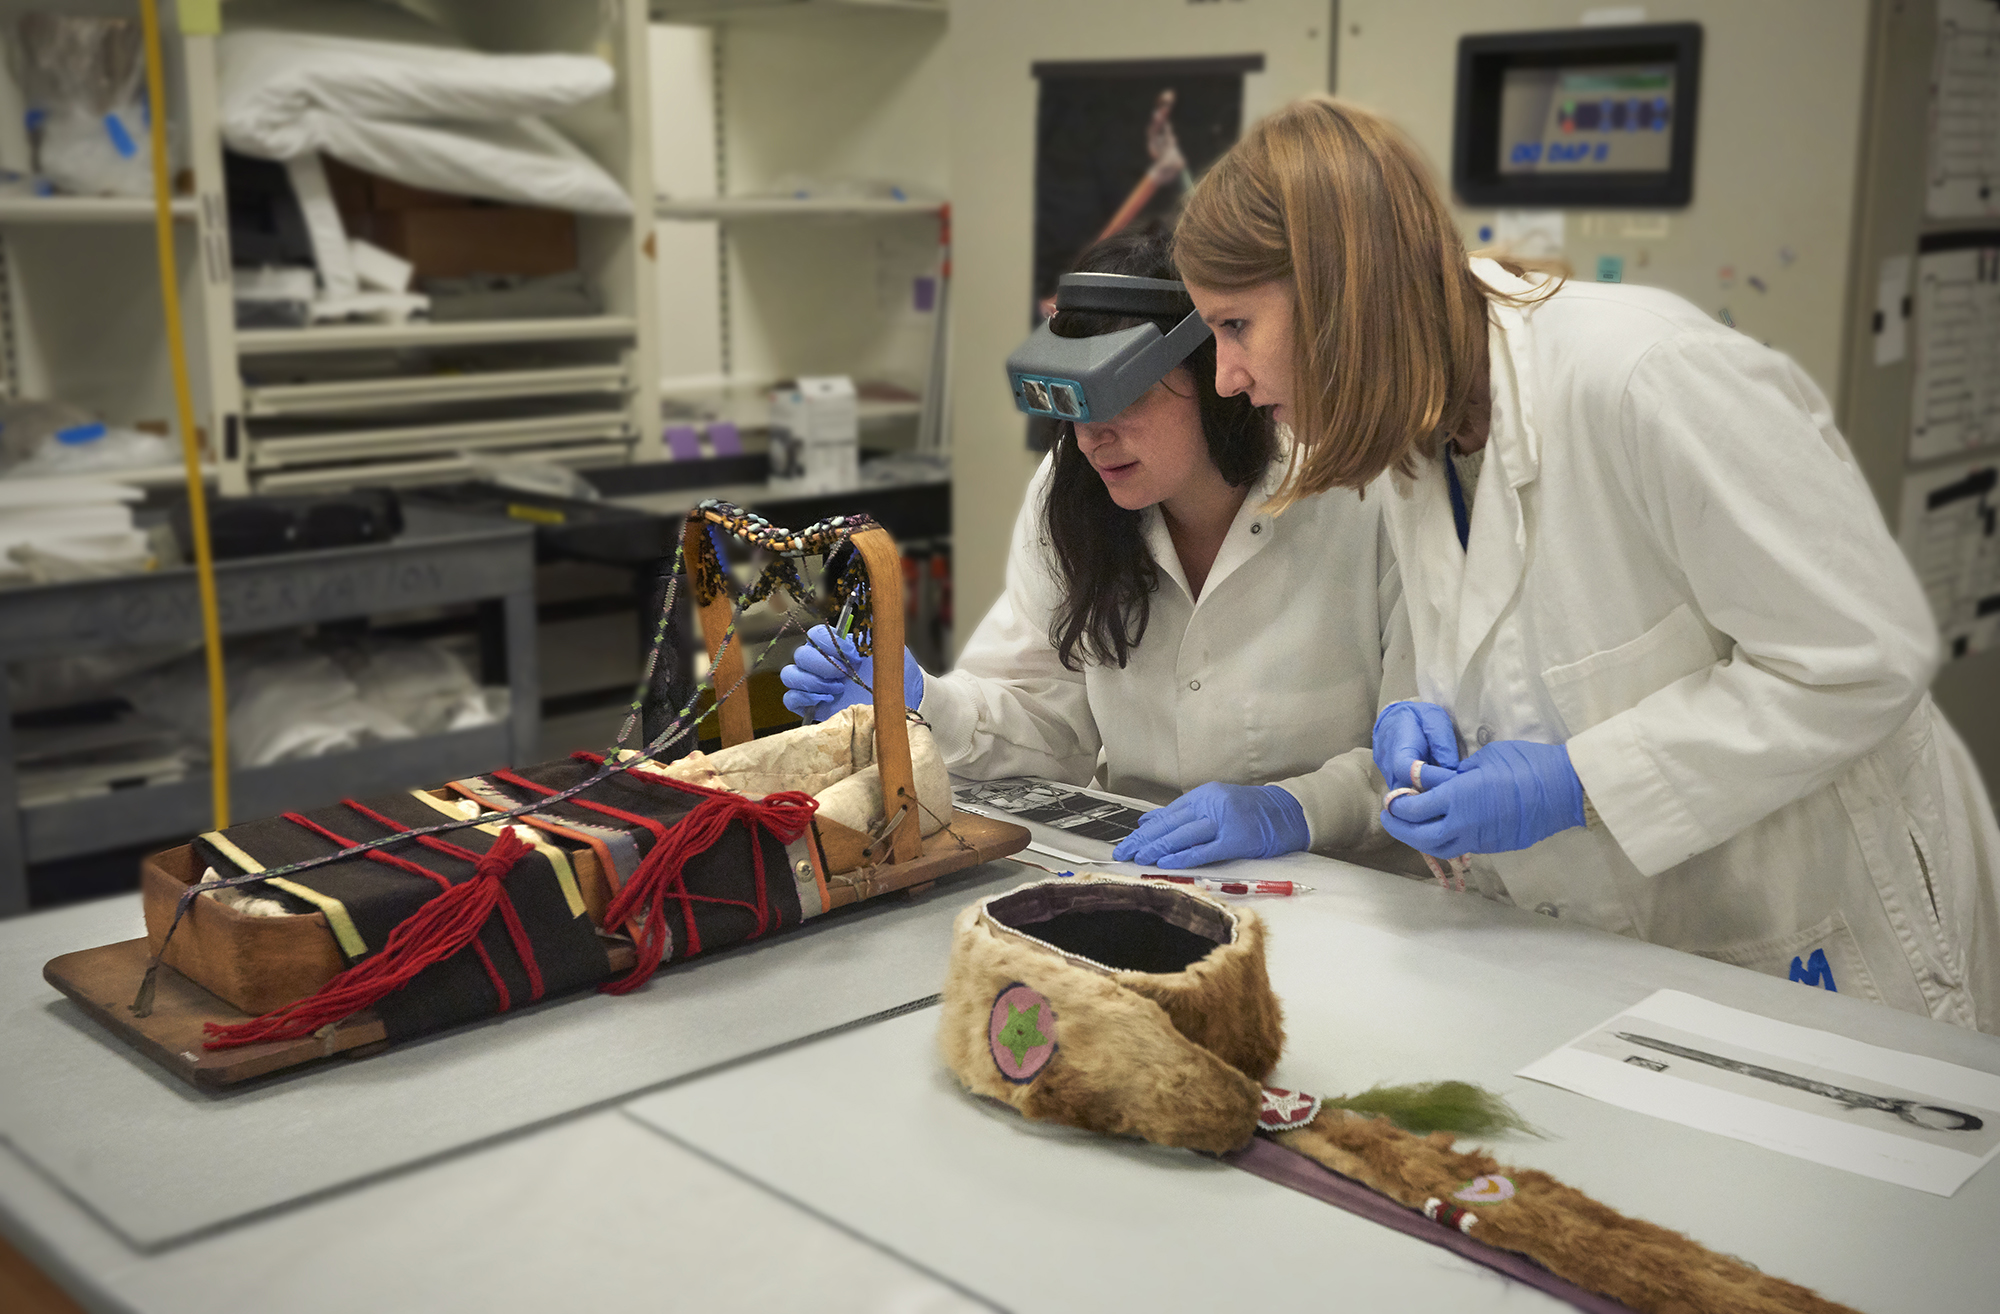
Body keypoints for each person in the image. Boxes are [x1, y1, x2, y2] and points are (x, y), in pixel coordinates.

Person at [1172, 95, 2000, 1031]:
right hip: (1610, 965)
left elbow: (1861, 658)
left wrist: (1582, 781)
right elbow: (1512, 654)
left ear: (1337, 294)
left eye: (1235, 327)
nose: (1228, 379)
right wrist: (1419, 714)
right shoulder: (1420, 437)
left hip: (1815, 941)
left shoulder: (1647, 378)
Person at [779, 230, 1417, 870]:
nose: (1092, 439)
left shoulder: (1360, 490)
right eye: (1075, 407)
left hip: (1352, 883)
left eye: (1127, 396)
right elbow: (1050, 726)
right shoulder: (1076, 492)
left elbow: (1421, 742)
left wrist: (1295, 809)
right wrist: (917, 703)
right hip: (1143, 862)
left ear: (1218, 375)